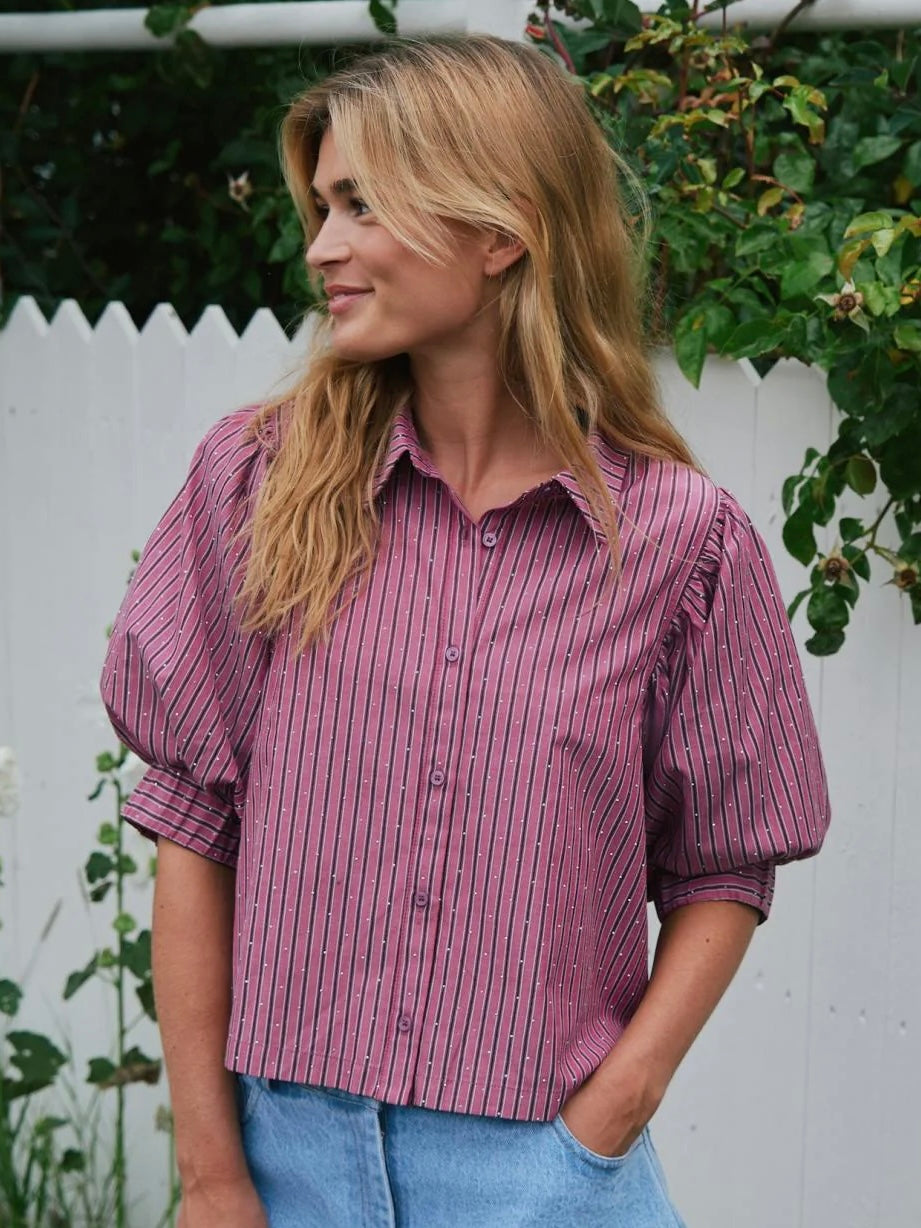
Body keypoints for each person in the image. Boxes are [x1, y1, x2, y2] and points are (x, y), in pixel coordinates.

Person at [100, 33, 830, 1228]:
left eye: (362, 204)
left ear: (502, 232)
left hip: (540, 1176)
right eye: (322, 206)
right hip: (286, 1164)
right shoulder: (256, 487)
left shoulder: (680, 545)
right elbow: (192, 820)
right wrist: (213, 1175)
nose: (321, 246)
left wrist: (607, 1119)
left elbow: (723, 862)